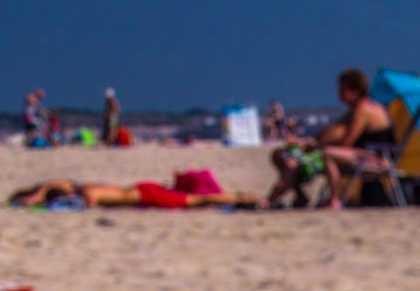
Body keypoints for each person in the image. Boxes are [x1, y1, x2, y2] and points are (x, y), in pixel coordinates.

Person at [267, 68, 394, 209]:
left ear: (354, 90)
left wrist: (318, 146)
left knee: (328, 154)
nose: (338, 93)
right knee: (291, 157)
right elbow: (338, 132)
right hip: (370, 154)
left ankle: (334, 199)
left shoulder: (363, 110)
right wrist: (314, 143)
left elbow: (348, 141)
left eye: (342, 89)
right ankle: (301, 196)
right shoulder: (362, 107)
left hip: (377, 159)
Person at [9, 178, 261, 209]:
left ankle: (240, 197)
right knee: (197, 200)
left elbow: (57, 184)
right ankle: (238, 196)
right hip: (142, 191)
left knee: (197, 200)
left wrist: (37, 195)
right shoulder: (84, 187)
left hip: (144, 195)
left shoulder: (85, 190)